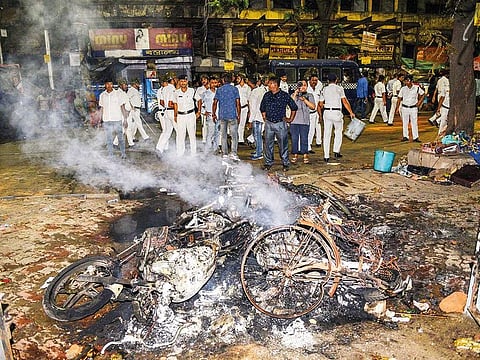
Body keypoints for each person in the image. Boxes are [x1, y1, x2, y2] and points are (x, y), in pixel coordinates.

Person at [260, 75, 298, 171]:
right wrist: (264, 116)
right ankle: (268, 162)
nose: (270, 85)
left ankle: (285, 163)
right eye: (269, 84)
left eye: (272, 84)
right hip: (269, 123)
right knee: (268, 144)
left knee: (283, 144)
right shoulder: (267, 95)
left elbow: (294, 107)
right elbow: (262, 107)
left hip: (281, 123)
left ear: (276, 85)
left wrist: (290, 119)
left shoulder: (284, 95)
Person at [318, 73, 355, 163]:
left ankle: (326, 156)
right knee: (338, 132)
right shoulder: (339, 89)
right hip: (337, 112)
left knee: (327, 134)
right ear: (336, 80)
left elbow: (320, 104)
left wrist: (324, 108)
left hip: (327, 112)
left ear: (327, 81)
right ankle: (336, 151)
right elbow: (345, 101)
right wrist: (351, 112)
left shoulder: (324, 89)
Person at [212, 73, 241, 160]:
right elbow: (238, 103)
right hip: (232, 115)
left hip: (222, 115)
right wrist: (238, 114)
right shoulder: (235, 89)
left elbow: (215, 102)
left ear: (223, 80)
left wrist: (213, 113)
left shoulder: (219, 90)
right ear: (231, 80)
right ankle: (234, 153)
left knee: (223, 135)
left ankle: (224, 153)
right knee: (234, 135)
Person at [99, 79, 130, 159]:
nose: (109, 86)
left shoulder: (117, 94)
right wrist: (100, 120)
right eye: (107, 84)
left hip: (117, 119)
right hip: (107, 120)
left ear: (113, 85)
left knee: (120, 138)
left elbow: (122, 107)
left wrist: (125, 119)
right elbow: (102, 108)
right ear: (105, 85)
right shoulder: (102, 95)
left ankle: (123, 153)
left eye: (111, 84)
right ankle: (110, 155)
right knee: (109, 138)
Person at [291, 79, 316, 164]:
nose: (303, 87)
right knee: (294, 139)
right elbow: (290, 104)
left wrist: (304, 100)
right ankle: (295, 154)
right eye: (301, 85)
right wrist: (295, 93)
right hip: (294, 120)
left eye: (305, 85)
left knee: (304, 138)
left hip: (305, 121)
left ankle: (305, 154)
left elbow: (313, 107)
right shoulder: (294, 95)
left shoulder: (309, 95)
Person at [395, 75, 425, 143]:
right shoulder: (403, 89)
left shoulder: (417, 88)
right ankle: (405, 136)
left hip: (413, 107)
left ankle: (415, 137)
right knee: (405, 123)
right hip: (404, 107)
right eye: (405, 81)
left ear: (411, 81)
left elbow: (423, 94)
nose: (406, 82)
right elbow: (399, 99)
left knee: (414, 122)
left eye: (408, 81)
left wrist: (420, 102)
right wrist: (397, 108)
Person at [173, 75, 197, 156]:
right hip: (180, 116)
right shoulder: (176, 92)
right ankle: (180, 153)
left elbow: (199, 100)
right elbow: (175, 104)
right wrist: (175, 116)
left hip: (191, 115)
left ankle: (193, 153)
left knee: (192, 135)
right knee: (180, 135)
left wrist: (199, 111)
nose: (183, 83)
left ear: (187, 82)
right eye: (181, 81)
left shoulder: (192, 91)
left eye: (184, 81)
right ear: (179, 82)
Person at [247, 74, 268, 160]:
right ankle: (259, 150)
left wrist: (250, 120)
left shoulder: (255, 91)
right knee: (258, 135)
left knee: (257, 136)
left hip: (257, 117)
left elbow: (253, 107)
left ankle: (259, 153)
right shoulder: (263, 90)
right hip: (261, 116)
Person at [155, 72, 177, 154]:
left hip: (166, 111)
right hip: (169, 111)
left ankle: (160, 148)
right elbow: (170, 102)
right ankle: (179, 151)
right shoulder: (171, 88)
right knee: (178, 131)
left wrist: (167, 106)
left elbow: (163, 102)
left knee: (167, 131)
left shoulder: (163, 89)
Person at [126, 79, 150, 145]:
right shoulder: (131, 90)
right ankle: (145, 137)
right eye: (137, 83)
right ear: (134, 84)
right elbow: (127, 99)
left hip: (137, 109)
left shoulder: (135, 90)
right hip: (134, 109)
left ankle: (132, 137)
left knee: (135, 125)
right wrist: (131, 106)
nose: (138, 85)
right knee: (139, 123)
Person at [200, 76, 220, 153]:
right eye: (212, 83)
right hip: (210, 116)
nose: (213, 84)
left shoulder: (219, 92)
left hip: (219, 115)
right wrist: (203, 111)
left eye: (215, 83)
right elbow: (200, 103)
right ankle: (207, 150)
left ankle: (216, 148)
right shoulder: (205, 93)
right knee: (210, 133)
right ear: (209, 83)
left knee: (217, 133)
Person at [306, 74, 323, 153]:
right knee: (307, 130)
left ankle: (309, 146)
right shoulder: (306, 89)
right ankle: (305, 146)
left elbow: (318, 104)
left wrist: (320, 115)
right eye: (313, 80)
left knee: (312, 130)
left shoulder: (317, 90)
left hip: (314, 113)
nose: (314, 82)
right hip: (307, 113)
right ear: (309, 80)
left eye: (316, 80)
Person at [235, 73, 252, 144]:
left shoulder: (247, 88)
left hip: (244, 108)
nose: (237, 80)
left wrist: (250, 110)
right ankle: (236, 138)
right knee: (236, 123)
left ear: (242, 79)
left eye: (238, 78)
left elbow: (249, 100)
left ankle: (241, 139)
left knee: (242, 123)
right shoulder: (236, 87)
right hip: (236, 108)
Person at [194, 74, 209, 144]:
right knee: (204, 125)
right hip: (203, 109)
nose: (203, 81)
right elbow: (198, 101)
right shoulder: (199, 89)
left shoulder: (211, 88)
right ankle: (204, 139)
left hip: (212, 110)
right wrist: (200, 111)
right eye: (202, 80)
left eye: (205, 79)